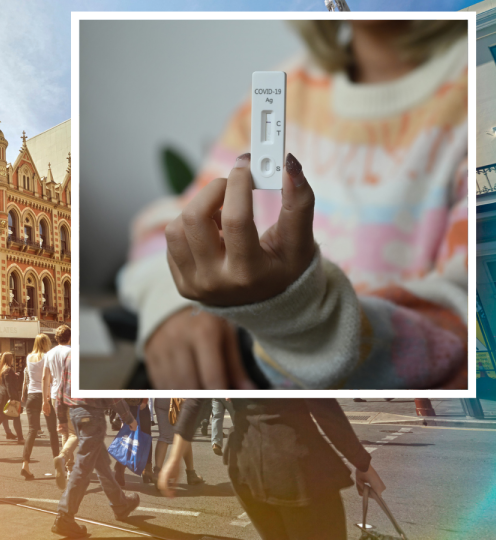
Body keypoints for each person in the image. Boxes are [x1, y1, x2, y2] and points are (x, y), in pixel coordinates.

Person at [120, 20, 468, 390]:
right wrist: (172, 297)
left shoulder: (482, 87)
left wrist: (294, 312)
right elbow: (171, 227)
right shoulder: (286, 85)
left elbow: (469, 331)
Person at [160, 399, 386, 540]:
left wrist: (174, 458)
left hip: (245, 465)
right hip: (298, 465)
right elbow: (323, 406)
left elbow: (195, 398)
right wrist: (361, 462)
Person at [53, 350, 140, 537]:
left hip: (75, 414)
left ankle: (120, 504)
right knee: (83, 467)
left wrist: (61, 418)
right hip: (92, 415)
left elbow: (61, 389)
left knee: (101, 465)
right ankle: (65, 516)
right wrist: (128, 417)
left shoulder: (70, 355)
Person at [20, 334, 59, 479]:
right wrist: (47, 398)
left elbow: (30, 377)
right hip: (45, 395)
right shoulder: (47, 356)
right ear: (46, 343)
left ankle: (25, 464)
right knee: (52, 431)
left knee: (32, 431)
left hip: (31, 396)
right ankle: (57, 466)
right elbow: (49, 377)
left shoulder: (28, 357)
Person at [41, 325, 74, 487]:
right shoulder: (72, 352)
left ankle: (69, 467)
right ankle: (66, 461)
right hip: (70, 395)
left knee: (64, 430)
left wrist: (45, 400)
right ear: (69, 338)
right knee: (75, 433)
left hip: (55, 396)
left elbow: (44, 377)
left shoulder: (49, 354)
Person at [151, 398, 204, 485]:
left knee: (164, 436)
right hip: (178, 398)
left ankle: (157, 472)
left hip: (161, 398)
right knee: (184, 436)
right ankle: (191, 474)